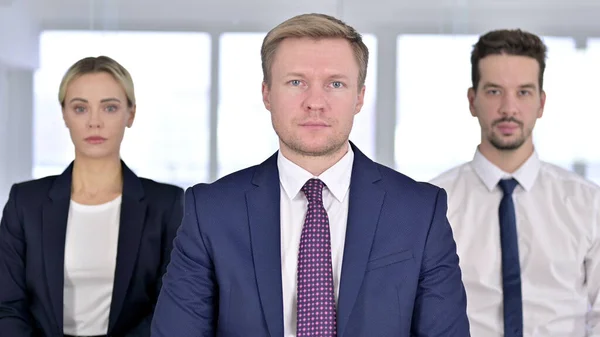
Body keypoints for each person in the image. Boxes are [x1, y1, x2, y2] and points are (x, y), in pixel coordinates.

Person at [151, 13, 469, 337]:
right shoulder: (210, 211)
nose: (315, 102)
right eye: (296, 82)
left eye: (335, 84)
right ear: (266, 94)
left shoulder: (419, 211)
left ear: (359, 97)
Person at [430, 29, 600, 336]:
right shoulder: (433, 204)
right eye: (494, 91)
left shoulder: (589, 204)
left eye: (523, 92)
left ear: (541, 103)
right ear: (472, 100)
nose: (509, 108)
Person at [0, 56, 184, 337]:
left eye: (109, 107)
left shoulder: (167, 204)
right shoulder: (25, 202)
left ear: (130, 114)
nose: (94, 122)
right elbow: (8, 306)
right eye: (80, 108)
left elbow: (170, 306)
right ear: (64, 115)